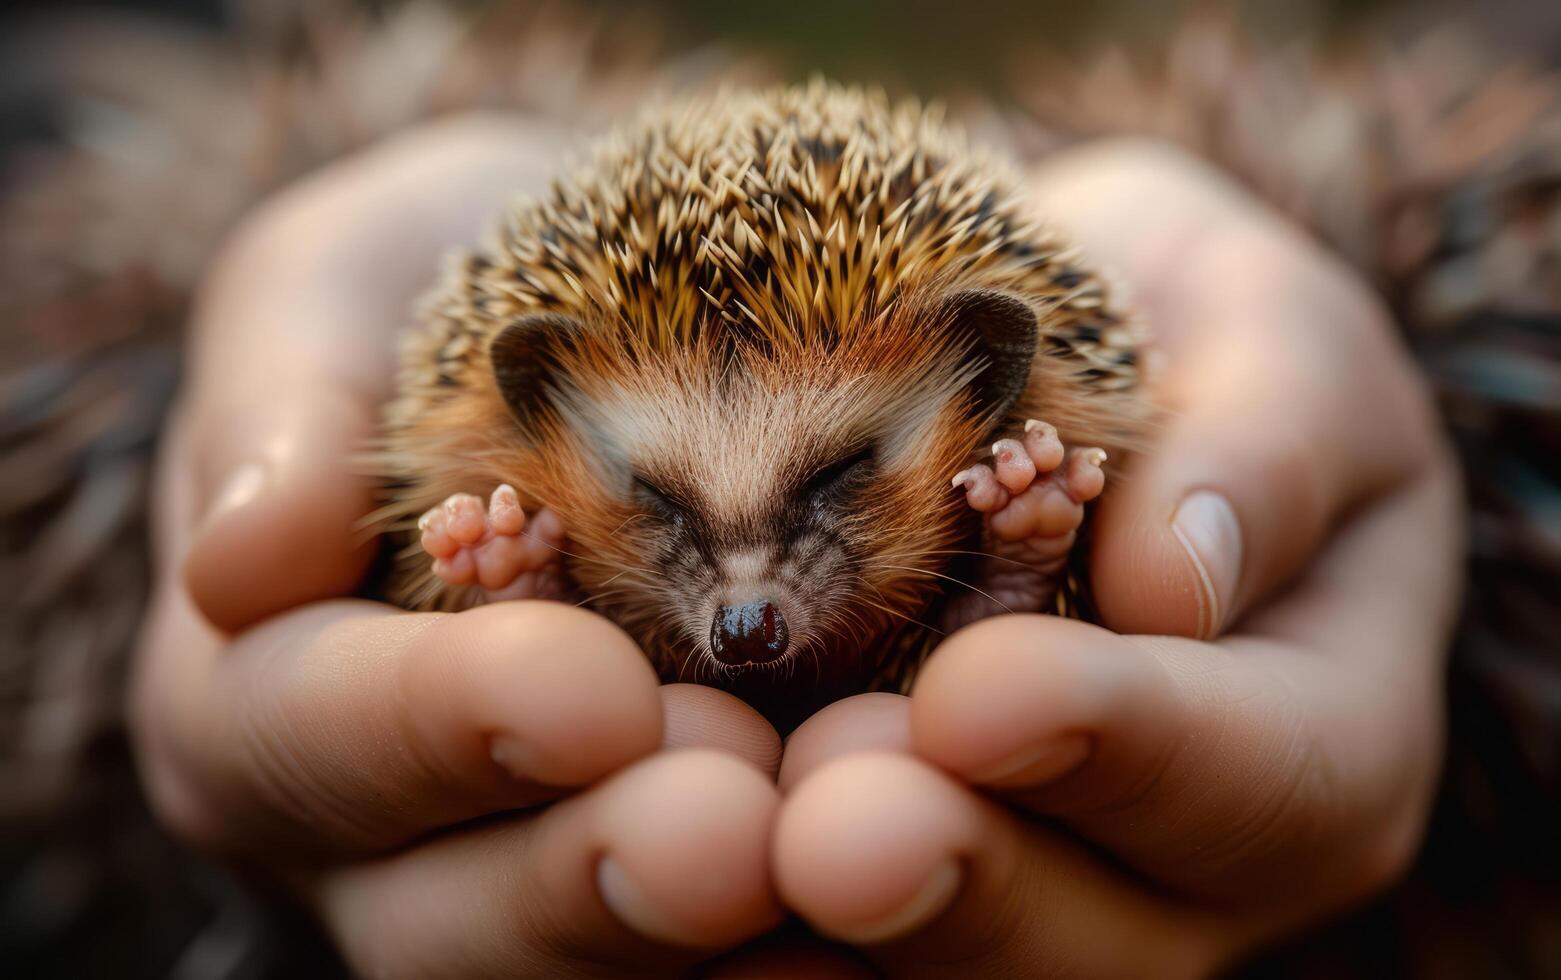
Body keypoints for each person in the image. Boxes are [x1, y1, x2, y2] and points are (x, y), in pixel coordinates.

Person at [131, 114, 1462, 977]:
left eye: (834, 480)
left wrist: (1018, 561)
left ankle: (992, 583)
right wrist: (522, 585)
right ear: (538, 414)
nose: (746, 596)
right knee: (535, 648)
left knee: (997, 650)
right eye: (655, 502)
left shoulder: (1030, 425)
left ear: (986, 389)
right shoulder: (504, 462)